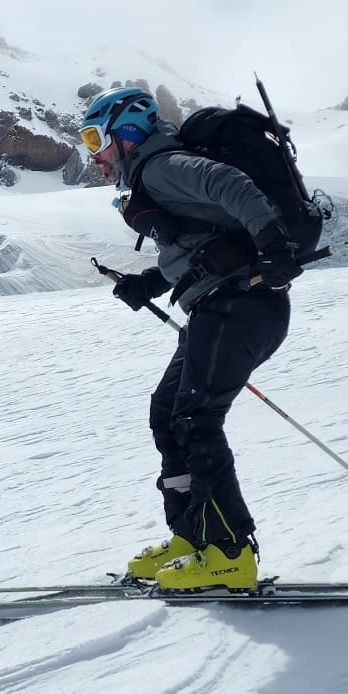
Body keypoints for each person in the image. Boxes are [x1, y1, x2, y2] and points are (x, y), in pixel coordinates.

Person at [80, 86, 303, 592]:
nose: (94, 153)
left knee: (195, 417)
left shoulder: (161, 166)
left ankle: (229, 553)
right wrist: (149, 282)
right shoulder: (153, 174)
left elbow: (230, 184)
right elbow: (201, 246)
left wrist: (272, 244)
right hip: (219, 306)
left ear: (126, 131)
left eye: (96, 138)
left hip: (241, 305)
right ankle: (192, 536)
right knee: (168, 412)